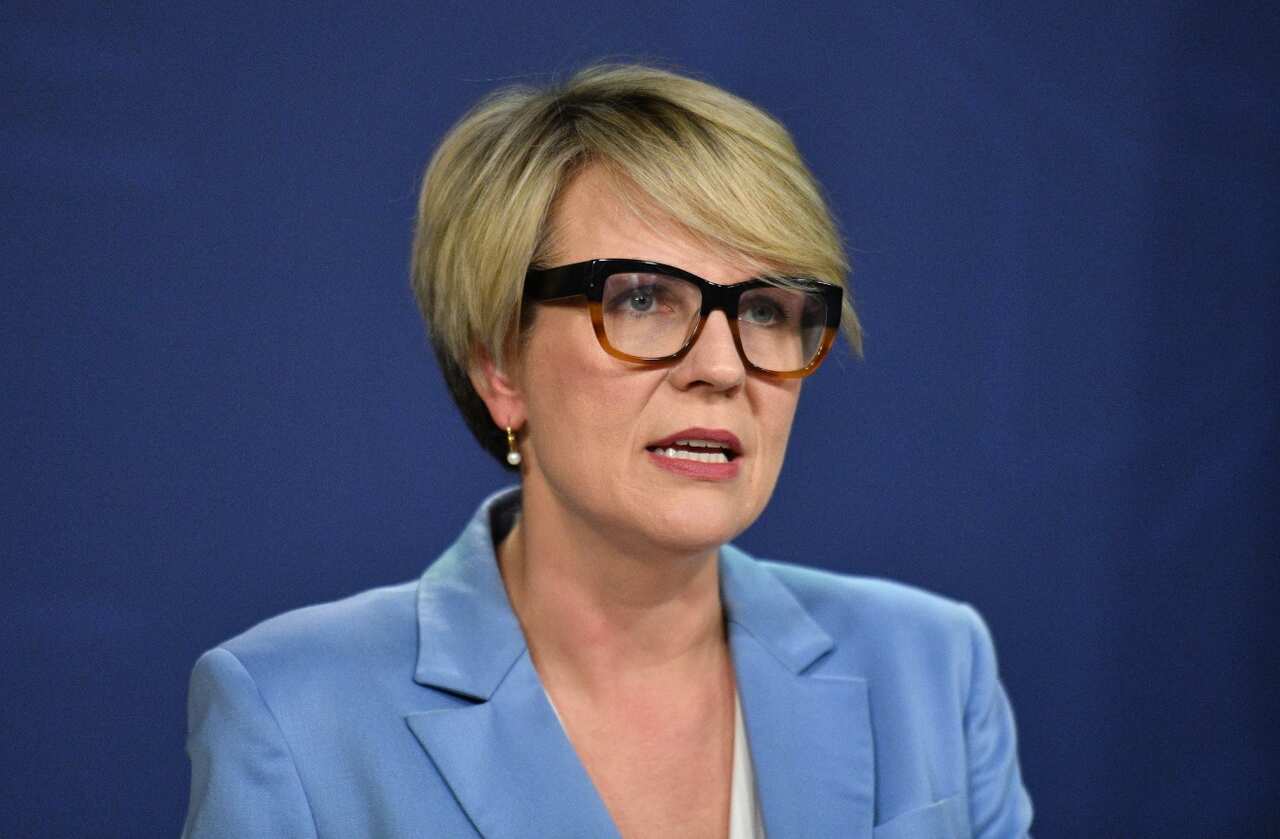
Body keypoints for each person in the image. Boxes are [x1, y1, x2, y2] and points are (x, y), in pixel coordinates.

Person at [181, 64, 1033, 838]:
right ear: (499, 363)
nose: (722, 366)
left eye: (767, 310)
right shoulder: (293, 713)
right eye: (643, 300)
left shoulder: (932, 667)